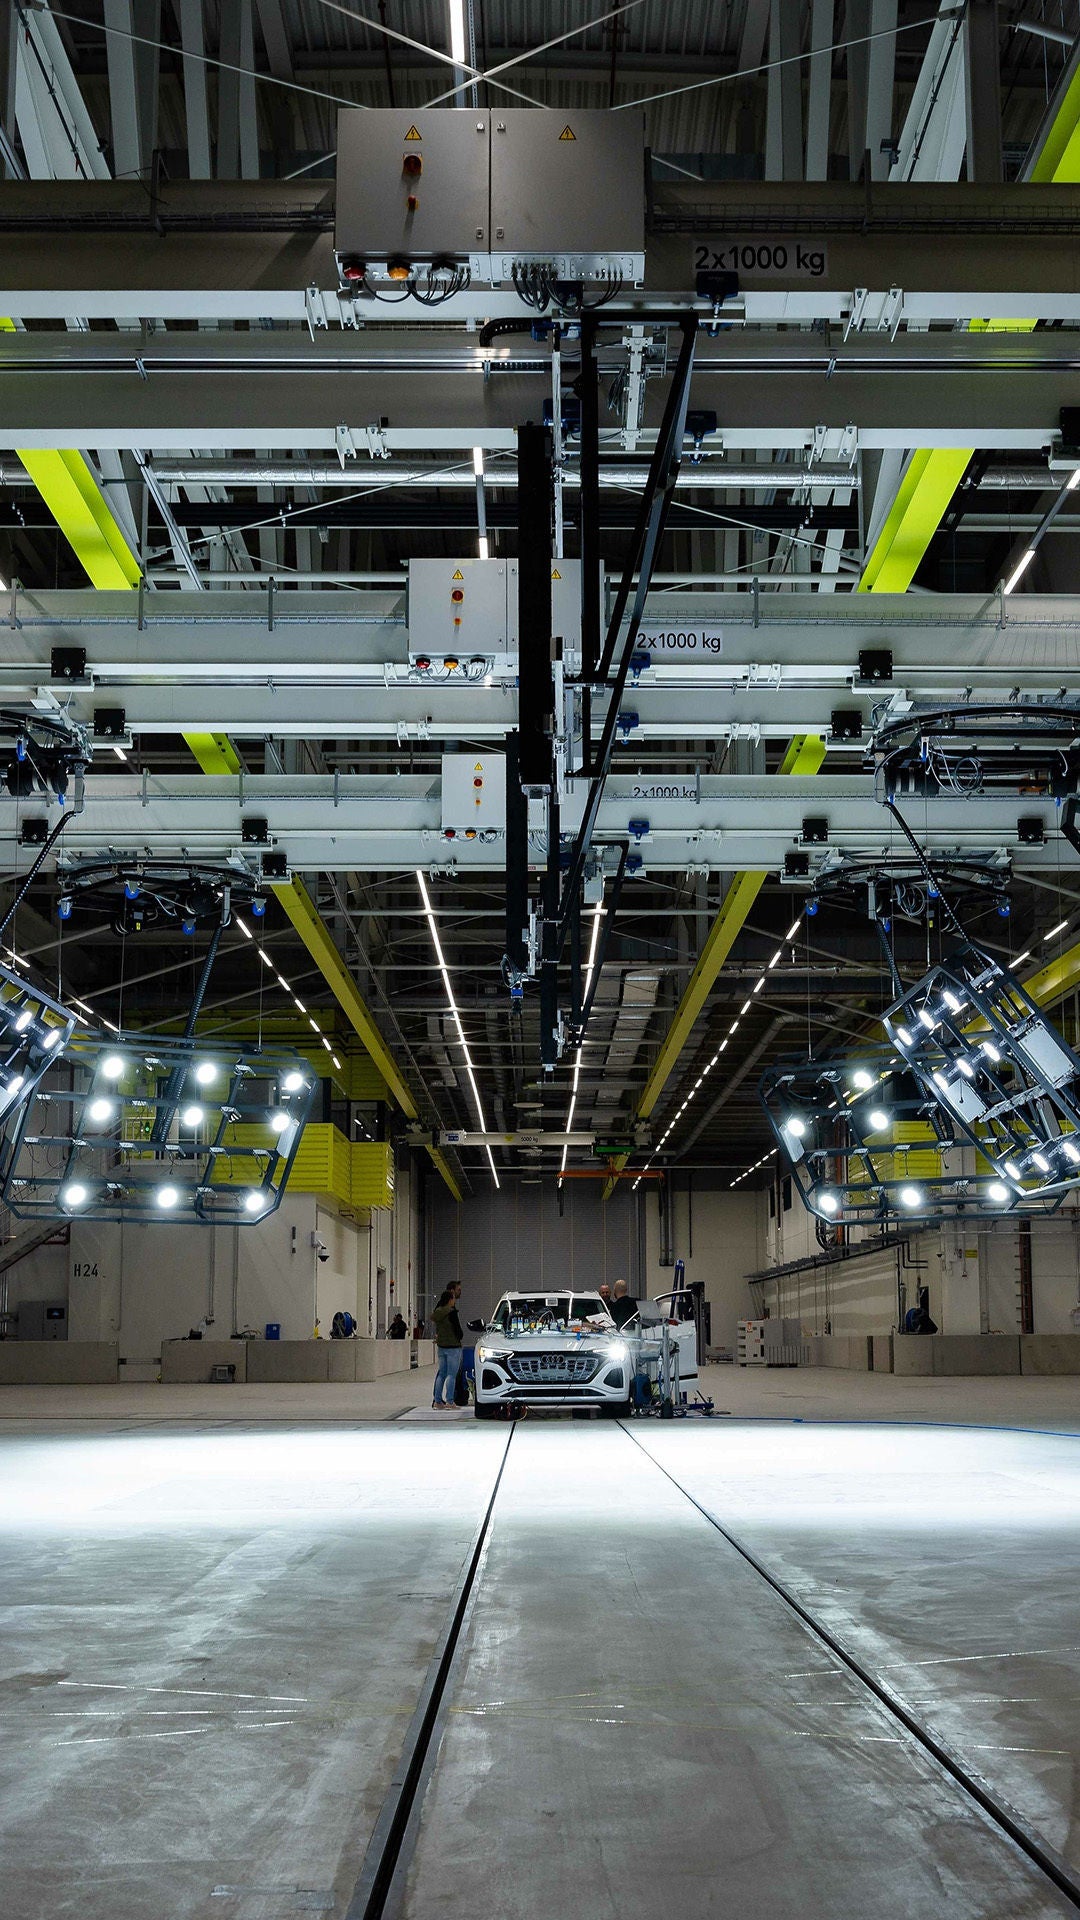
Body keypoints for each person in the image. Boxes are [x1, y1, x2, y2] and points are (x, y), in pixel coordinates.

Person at [431, 1282, 464, 1408]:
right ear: (450, 1299)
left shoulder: (438, 1312)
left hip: (441, 1347)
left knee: (442, 1374)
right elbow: (458, 1331)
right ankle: (450, 1400)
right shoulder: (451, 1313)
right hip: (453, 1347)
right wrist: (460, 1336)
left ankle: (437, 1401)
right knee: (451, 1375)